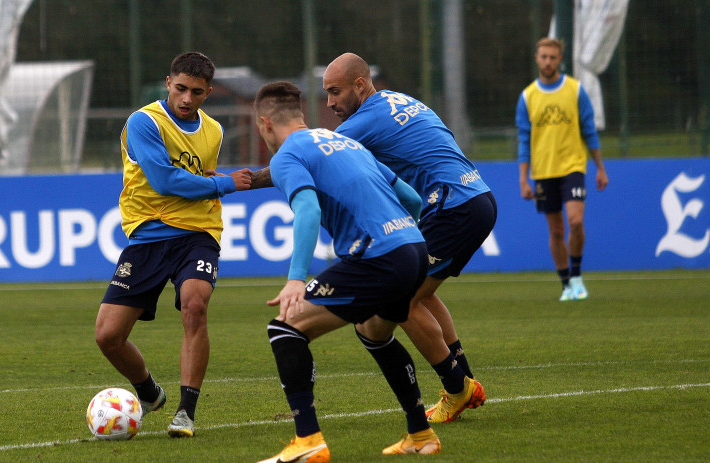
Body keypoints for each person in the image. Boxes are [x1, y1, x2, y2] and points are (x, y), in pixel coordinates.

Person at [250, 53, 494, 424]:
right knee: (419, 290)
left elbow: (309, 154)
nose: (329, 103)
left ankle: (457, 386)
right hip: (476, 195)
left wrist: (241, 181)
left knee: (404, 299)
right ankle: (463, 383)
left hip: (451, 204)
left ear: (360, 85)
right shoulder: (397, 100)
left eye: (335, 92)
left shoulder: (361, 122)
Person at [254, 81, 441, 462]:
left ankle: (308, 442)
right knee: (374, 332)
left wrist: (296, 278)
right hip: (414, 249)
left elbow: (308, 210)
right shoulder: (345, 142)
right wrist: (405, 240)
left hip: (379, 257)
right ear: (300, 115)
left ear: (265, 124)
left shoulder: (286, 156)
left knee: (285, 328)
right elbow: (412, 198)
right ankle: (421, 434)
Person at [94, 52, 252, 438]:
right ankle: (149, 393)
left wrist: (217, 183)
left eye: (196, 92)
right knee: (108, 336)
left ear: (208, 93)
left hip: (198, 233)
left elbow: (201, 176)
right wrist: (225, 183)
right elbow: (165, 181)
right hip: (147, 235)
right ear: (168, 83)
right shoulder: (144, 122)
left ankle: (186, 412)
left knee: (194, 307)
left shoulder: (213, 130)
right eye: (180, 88)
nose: (186, 99)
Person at [516, 38, 608, 301]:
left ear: (560, 59)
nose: (548, 62)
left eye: (552, 57)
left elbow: (589, 131)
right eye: (543, 56)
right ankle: (566, 283)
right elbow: (524, 139)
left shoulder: (575, 90)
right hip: (544, 171)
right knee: (556, 231)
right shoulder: (527, 96)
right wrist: (523, 179)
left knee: (575, 221)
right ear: (537, 57)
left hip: (573, 167)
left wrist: (600, 168)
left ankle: (577, 275)